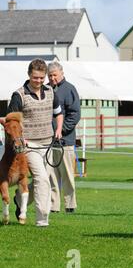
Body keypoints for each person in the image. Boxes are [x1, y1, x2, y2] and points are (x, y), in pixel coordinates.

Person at [8, 58, 63, 227]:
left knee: (43, 180)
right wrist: (21, 138)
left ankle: (19, 198)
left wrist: (58, 129)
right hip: (29, 145)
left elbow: (58, 113)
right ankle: (42, 220)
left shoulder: (51, 92)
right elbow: (12, 121)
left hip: (48, 143)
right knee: (42, 179)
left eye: (41, 78)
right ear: (29, 75)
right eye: (35, 77)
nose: (38, 81)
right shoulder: (19, 95)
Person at [47, 62, 81, 213]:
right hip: (48, 142)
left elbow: (75, 115)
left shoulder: (70, 89)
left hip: (65, 141)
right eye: (50, 75)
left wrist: (62, 130)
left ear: (61, 73)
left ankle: (70, 205)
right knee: (51, 176)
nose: (52, 78)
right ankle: (54, 206)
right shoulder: (45, 89)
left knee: (67, 175)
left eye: (54, 75)